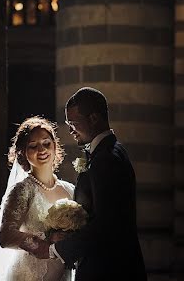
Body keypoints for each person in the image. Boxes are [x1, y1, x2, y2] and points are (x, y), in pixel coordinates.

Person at [33, 87, 147, 281]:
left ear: (93, 119)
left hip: (109, 271)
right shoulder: (111, 152)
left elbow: (105, 224)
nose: (69, 130)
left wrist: (57, 249)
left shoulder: (106, 159)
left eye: (73, 123)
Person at [0, 116, 75, 281]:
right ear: (23, 153)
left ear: (55, 146)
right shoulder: (22, 190)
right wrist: (47, 239)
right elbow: (5, 237)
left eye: (46, 143)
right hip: (29, 275)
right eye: (33, 146)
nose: (41, 150)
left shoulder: (70, 190)